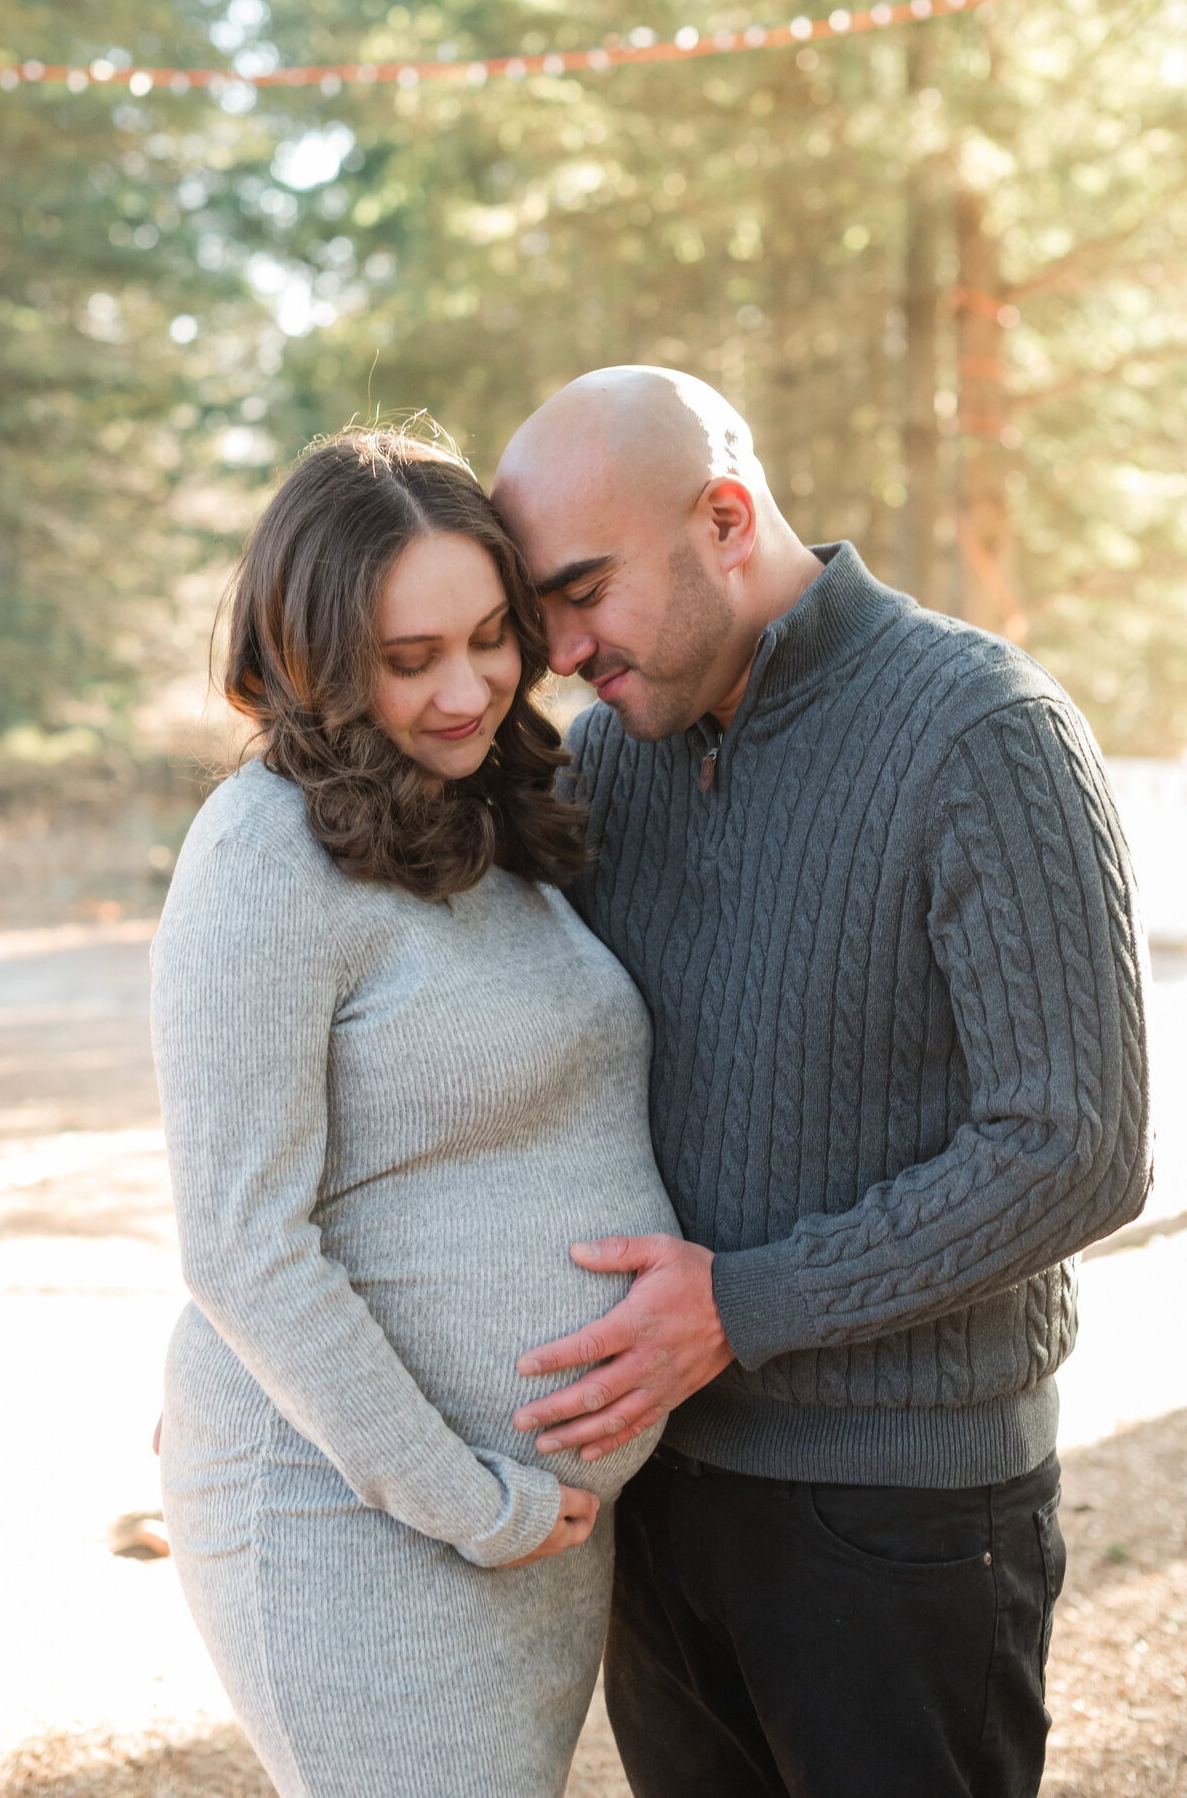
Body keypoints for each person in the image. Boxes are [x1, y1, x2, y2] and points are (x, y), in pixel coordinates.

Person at [491, 366, 1153, 1798]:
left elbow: (1077, 1145)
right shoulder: (611, 760)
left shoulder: (980, 731)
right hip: (659, 1500)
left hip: (901, 1513)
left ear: (725, 518)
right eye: (540, 612)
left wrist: (744, 1304)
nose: (559, 649)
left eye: (583, 590)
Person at [151, 424, 682, 1798]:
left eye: (492, 636)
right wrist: (473, 1503)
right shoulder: (263, 854)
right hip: (358, 1517)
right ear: (315, 658)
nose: (468, 689)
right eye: (408, 661)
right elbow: (240, 1247)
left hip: (531, 1533)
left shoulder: (493, 814)